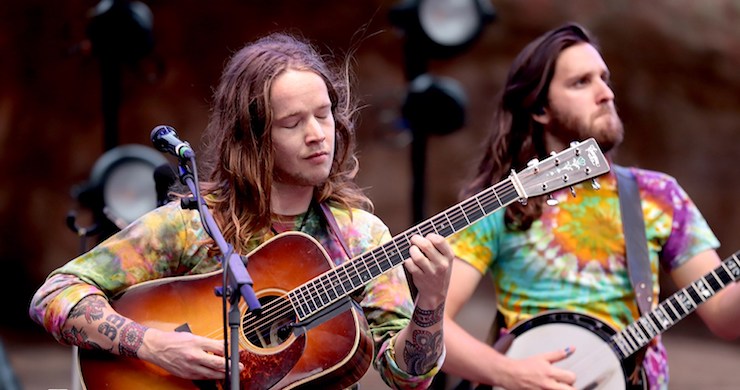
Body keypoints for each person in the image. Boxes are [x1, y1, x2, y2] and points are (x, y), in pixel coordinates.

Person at [30, 32, 453, 389]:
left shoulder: (362, 236)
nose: (316, 135)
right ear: (252, 136)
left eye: (323, 115)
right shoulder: (192, 225)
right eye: (292, 123)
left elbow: (409, 379)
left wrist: (430, 303)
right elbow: (53, 294)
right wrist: (153, 345)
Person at [441, 22, 740, 390]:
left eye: (604, 78)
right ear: (540, 110)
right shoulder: (503, 200)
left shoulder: (658, 194)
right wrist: (509, 373)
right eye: (581, 82)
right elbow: (430, 325)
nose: (606, 93)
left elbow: (725, 318)